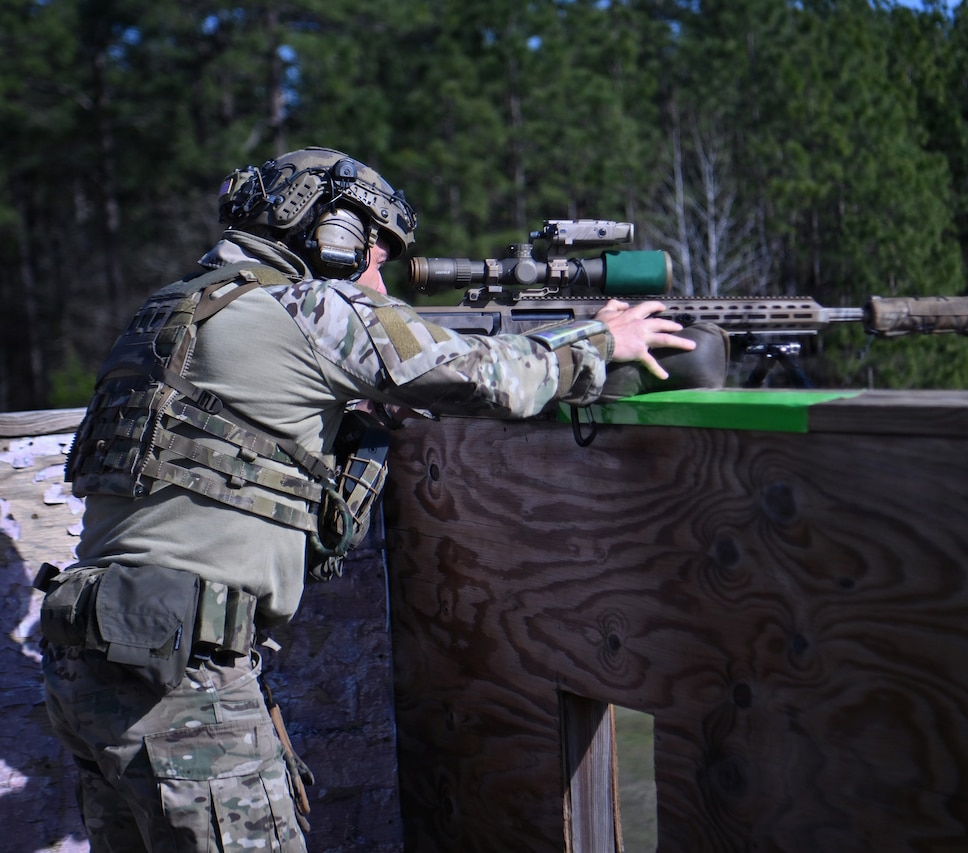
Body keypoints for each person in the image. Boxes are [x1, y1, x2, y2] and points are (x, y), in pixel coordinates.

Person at [38, 146, 695, 852]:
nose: (381, 277)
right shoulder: (308, 307)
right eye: (379, 251)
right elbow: (491, 376)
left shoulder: (171, 311)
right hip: (181, 672)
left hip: (90, 659)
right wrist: (603, 337)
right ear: (333, 232)